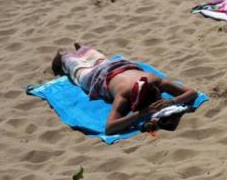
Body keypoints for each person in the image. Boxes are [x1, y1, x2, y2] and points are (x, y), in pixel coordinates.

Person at [51, 43, 199, 135]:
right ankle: (64, 56)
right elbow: (109, 128)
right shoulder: (124, 95)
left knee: (96, 59)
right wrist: (142, 114)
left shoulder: (155, 81)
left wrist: (171, 101)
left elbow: (193, 92)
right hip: (96, 76)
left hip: (116, 65)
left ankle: (81, 49)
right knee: (75, 68)